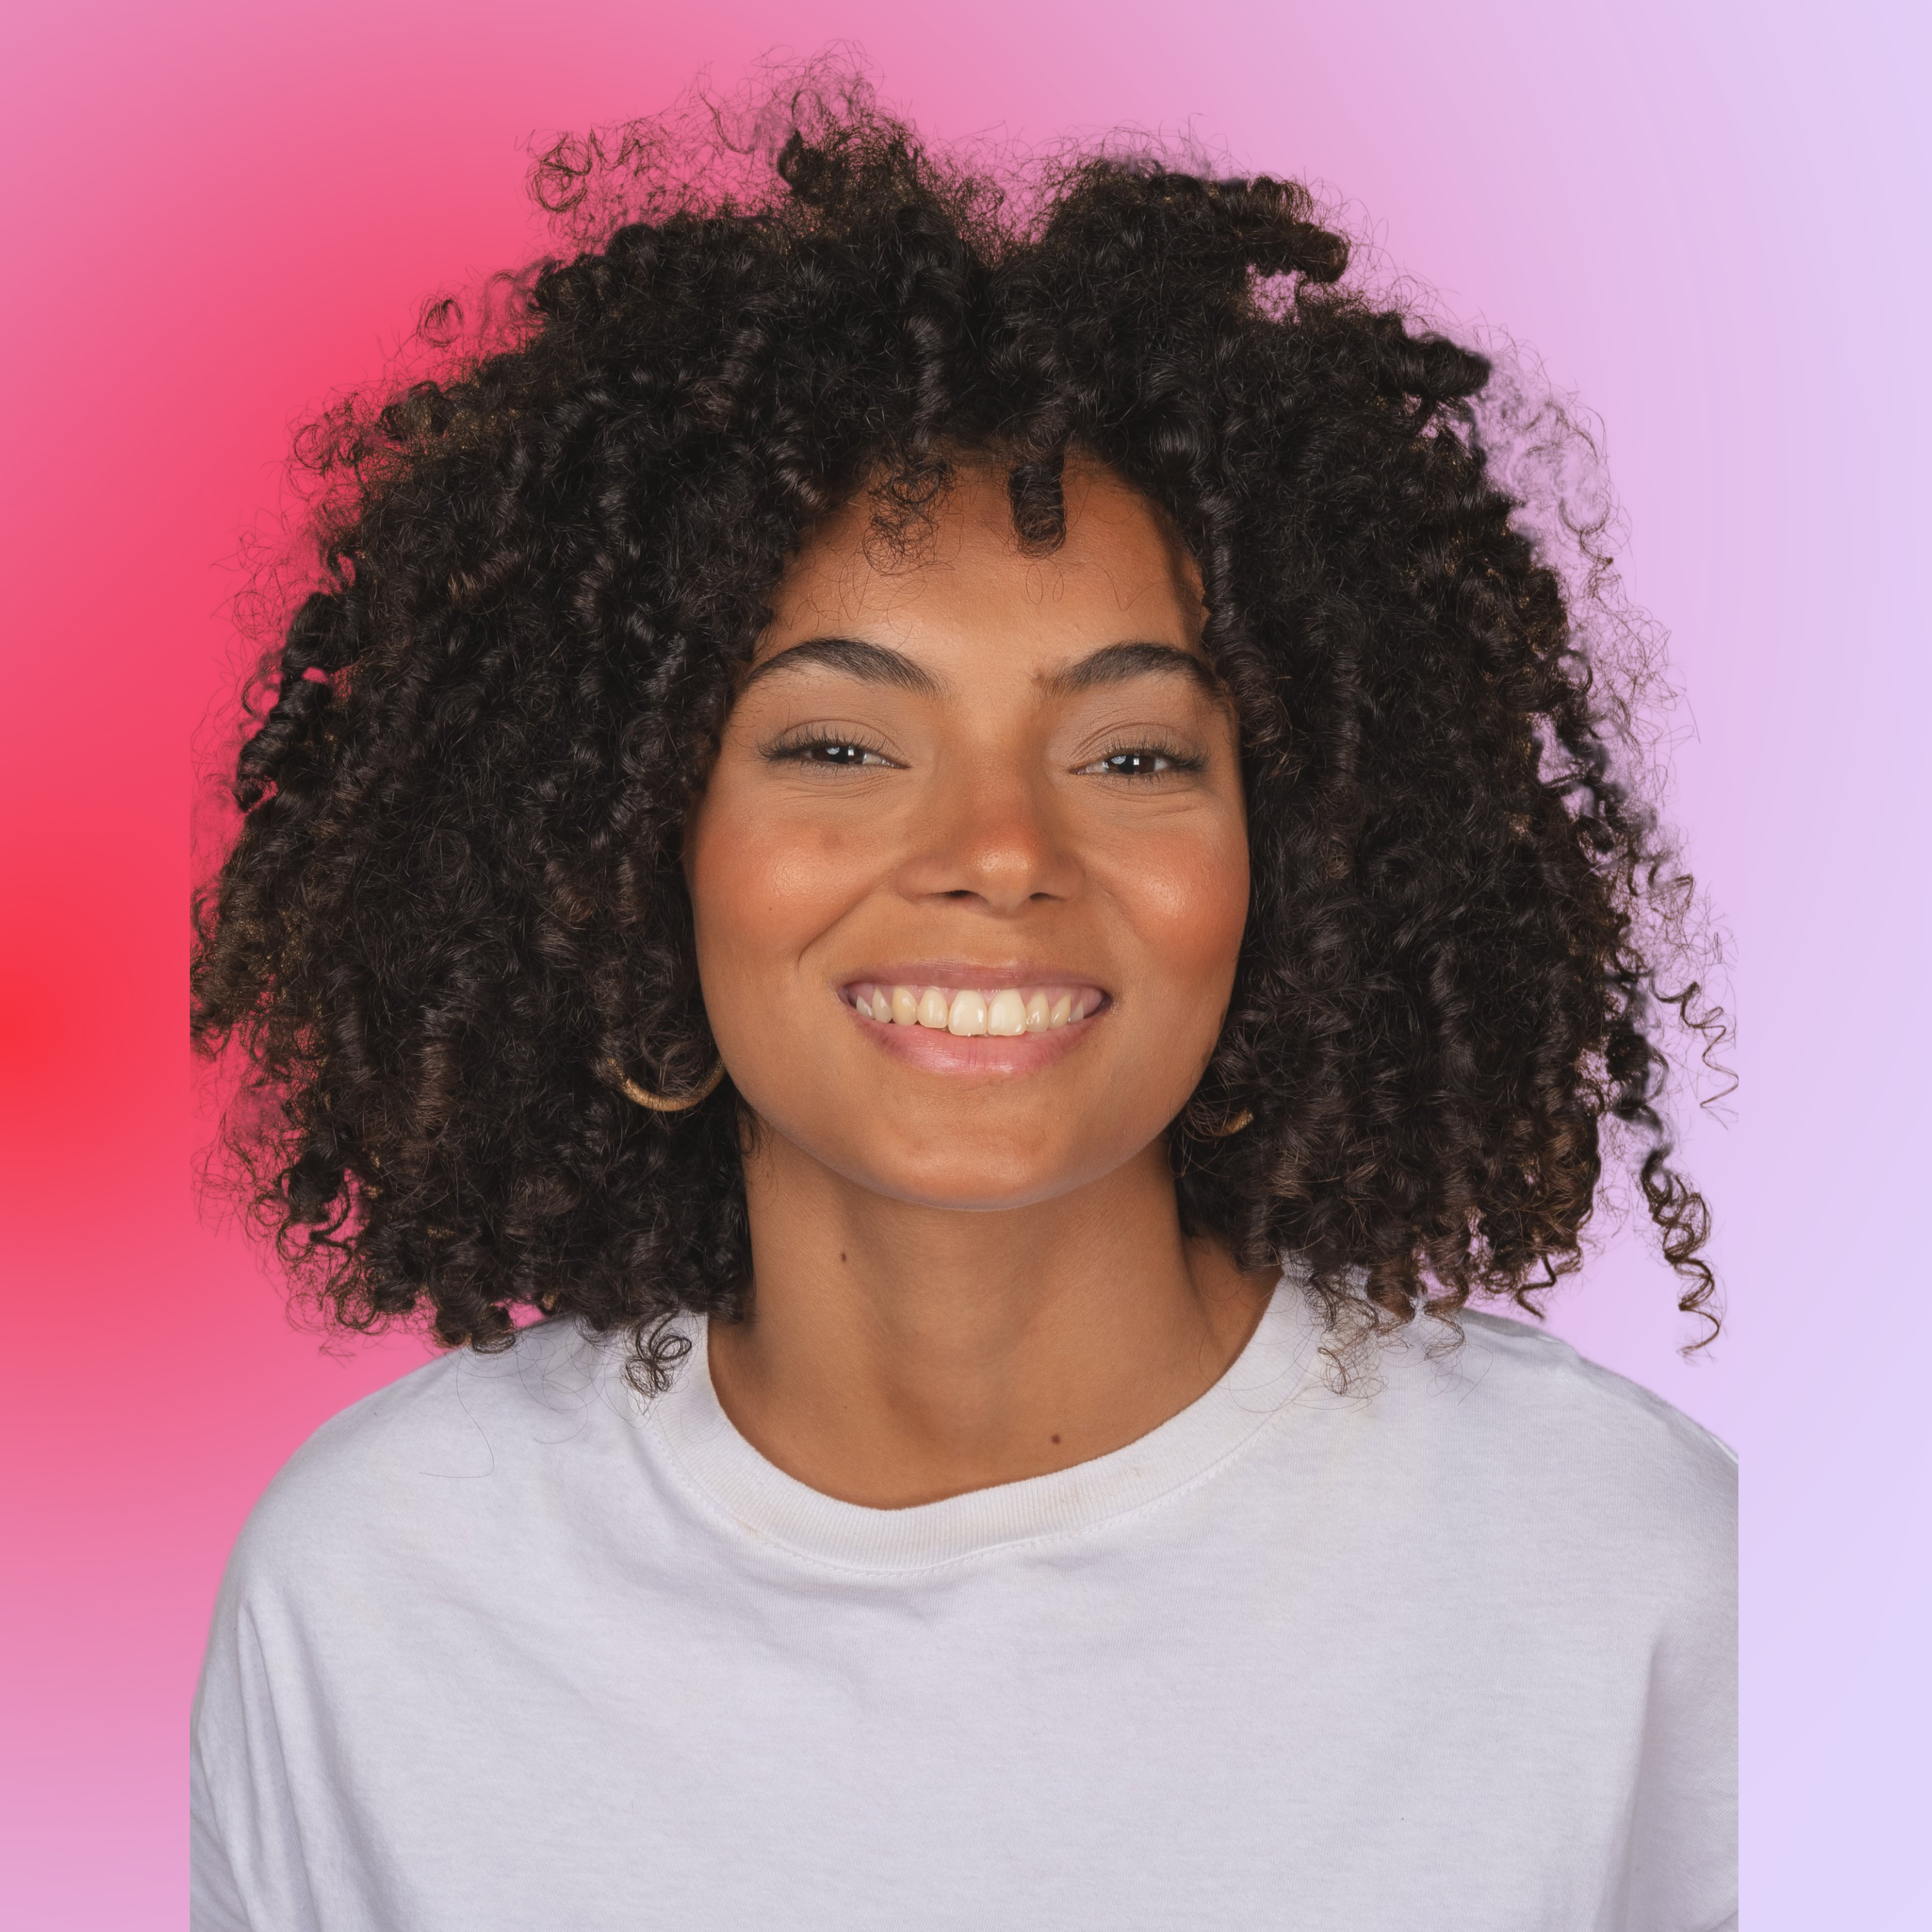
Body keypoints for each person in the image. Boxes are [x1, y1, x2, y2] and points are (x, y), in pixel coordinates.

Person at [188, 75, 1736, 1932]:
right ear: (624, 843)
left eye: (1137, 753)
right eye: (839, 740)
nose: (998, 849)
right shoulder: (380, 1597)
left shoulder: (1634, 1572)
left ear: (1296, 857)